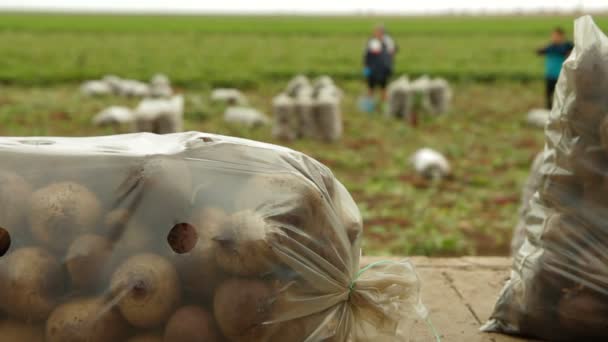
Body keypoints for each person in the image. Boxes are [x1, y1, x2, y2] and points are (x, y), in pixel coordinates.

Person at [362, 25, 397, 112]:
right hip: (372, 70)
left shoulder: (388, 42)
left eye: (378, 31)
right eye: (375, 31)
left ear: (382, 32)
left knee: (384, 89)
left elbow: (392, 54)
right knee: (370, 89)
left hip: (383, 70)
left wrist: (389, 67)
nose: (376, 33)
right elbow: (366, 56)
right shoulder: (371, 42)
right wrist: (366, 68)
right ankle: (369, 109)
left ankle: (385, 108)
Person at [537, 27, 573, 109]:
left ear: (562, 36)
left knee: (562, 96)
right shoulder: (551, 47)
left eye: (556, 36)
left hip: (561, 76)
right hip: (550, 75)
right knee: (548, 95)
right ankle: (549, 111)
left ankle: (563, 112)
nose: (554, 37)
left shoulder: (567, 46)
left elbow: (570, 51)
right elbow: (539, 52)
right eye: (553, 36)